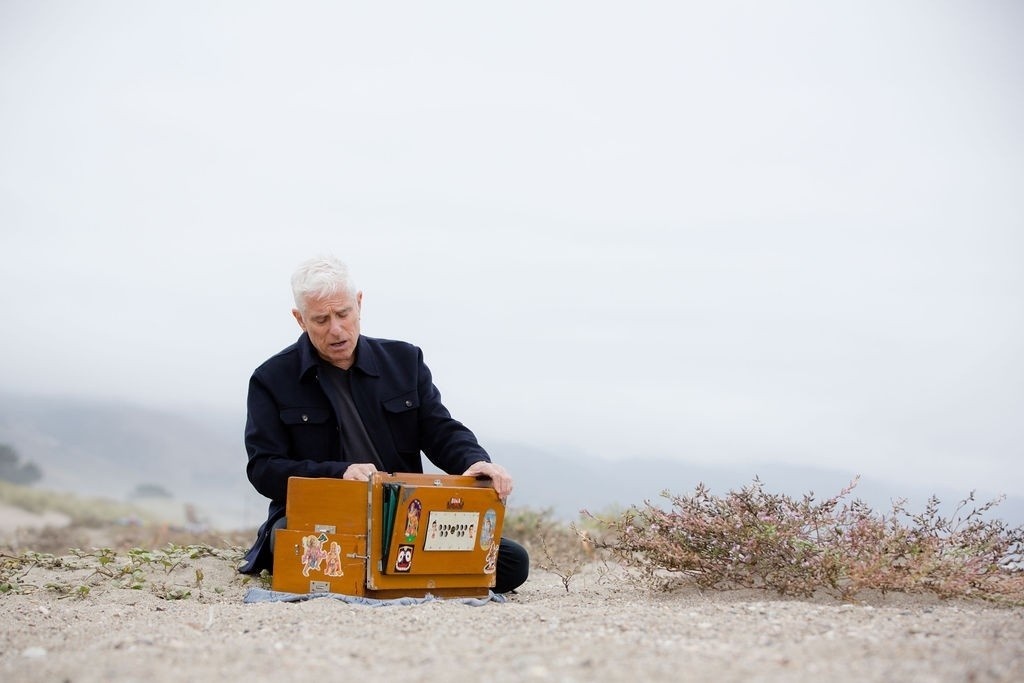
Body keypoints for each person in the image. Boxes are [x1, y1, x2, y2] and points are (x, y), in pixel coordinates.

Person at [239, 255, 529, 594]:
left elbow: (439, 428)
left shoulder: (405, 361)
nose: (336, 329)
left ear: (359, 304)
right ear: (300, 319)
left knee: (511, 562)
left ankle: (385, 572)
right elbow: (264, 469)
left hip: (404, 517)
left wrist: (475, 461)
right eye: (321, 319)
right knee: (294, 545)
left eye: (343, 314)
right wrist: (339, 474)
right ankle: (395, 575)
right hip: (321, 518)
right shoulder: (271, 379)